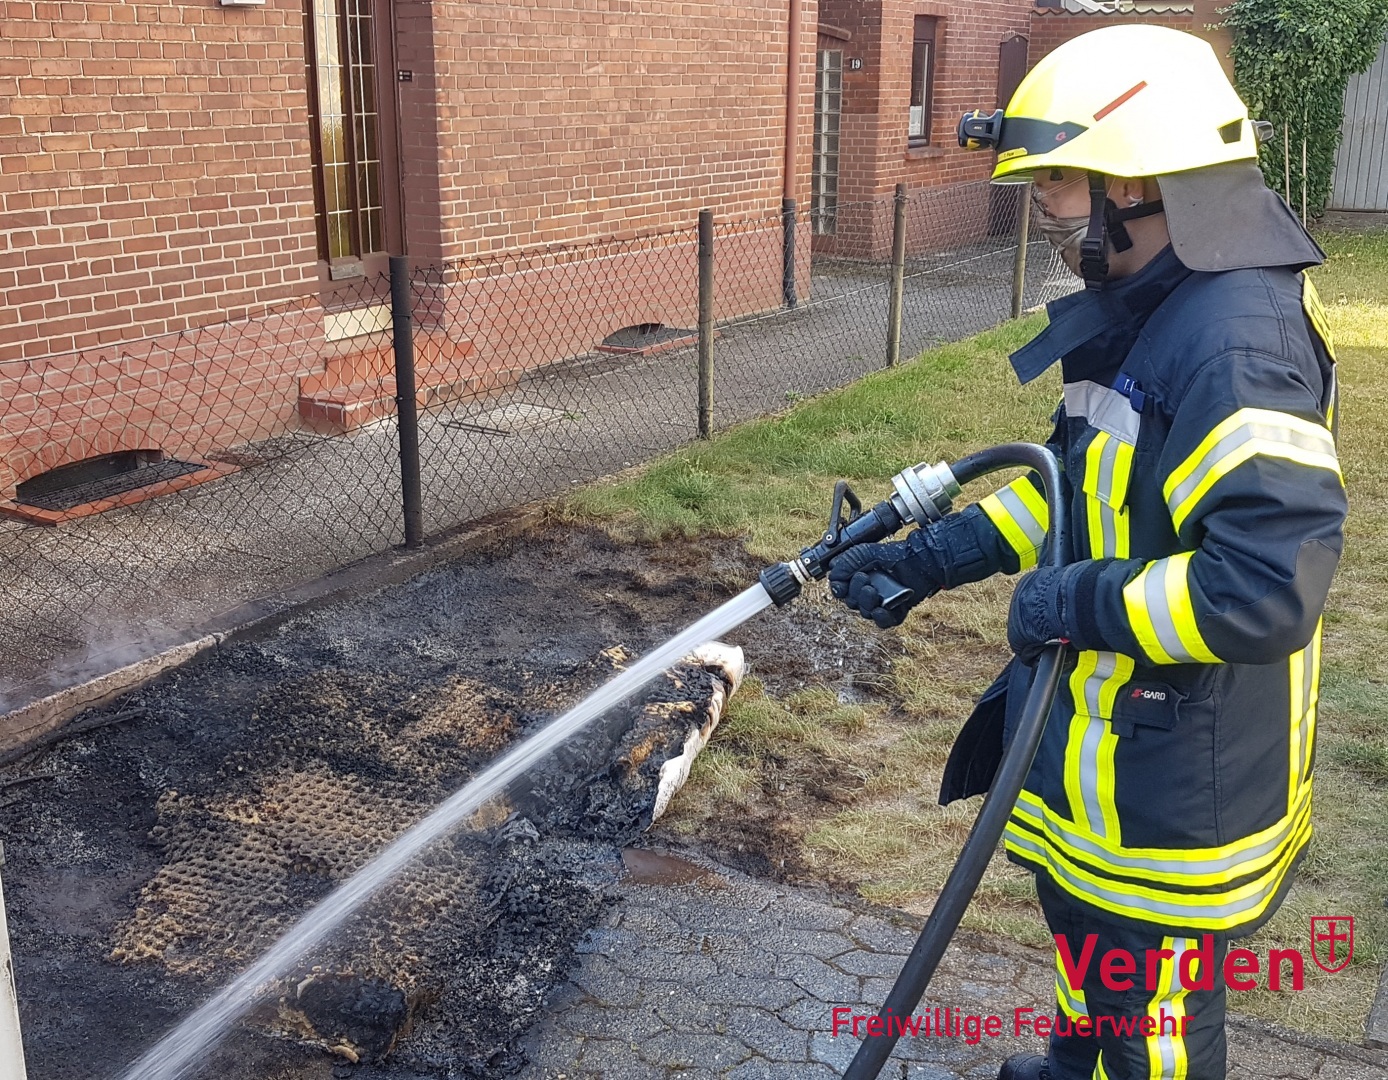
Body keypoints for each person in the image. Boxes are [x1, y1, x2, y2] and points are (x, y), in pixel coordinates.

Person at [826, 25, 1346, 1080]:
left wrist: (1070, 603)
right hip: (1118, 764)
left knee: (1150, 1019)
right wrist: (939, 555)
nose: (1051, 208)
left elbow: (1259, 592)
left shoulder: (1231, 343)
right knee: (1092, 951)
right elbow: (1081, 487)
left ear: (1143, 181)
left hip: (1174, 789)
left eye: (1062, 180)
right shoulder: (1159, 307)